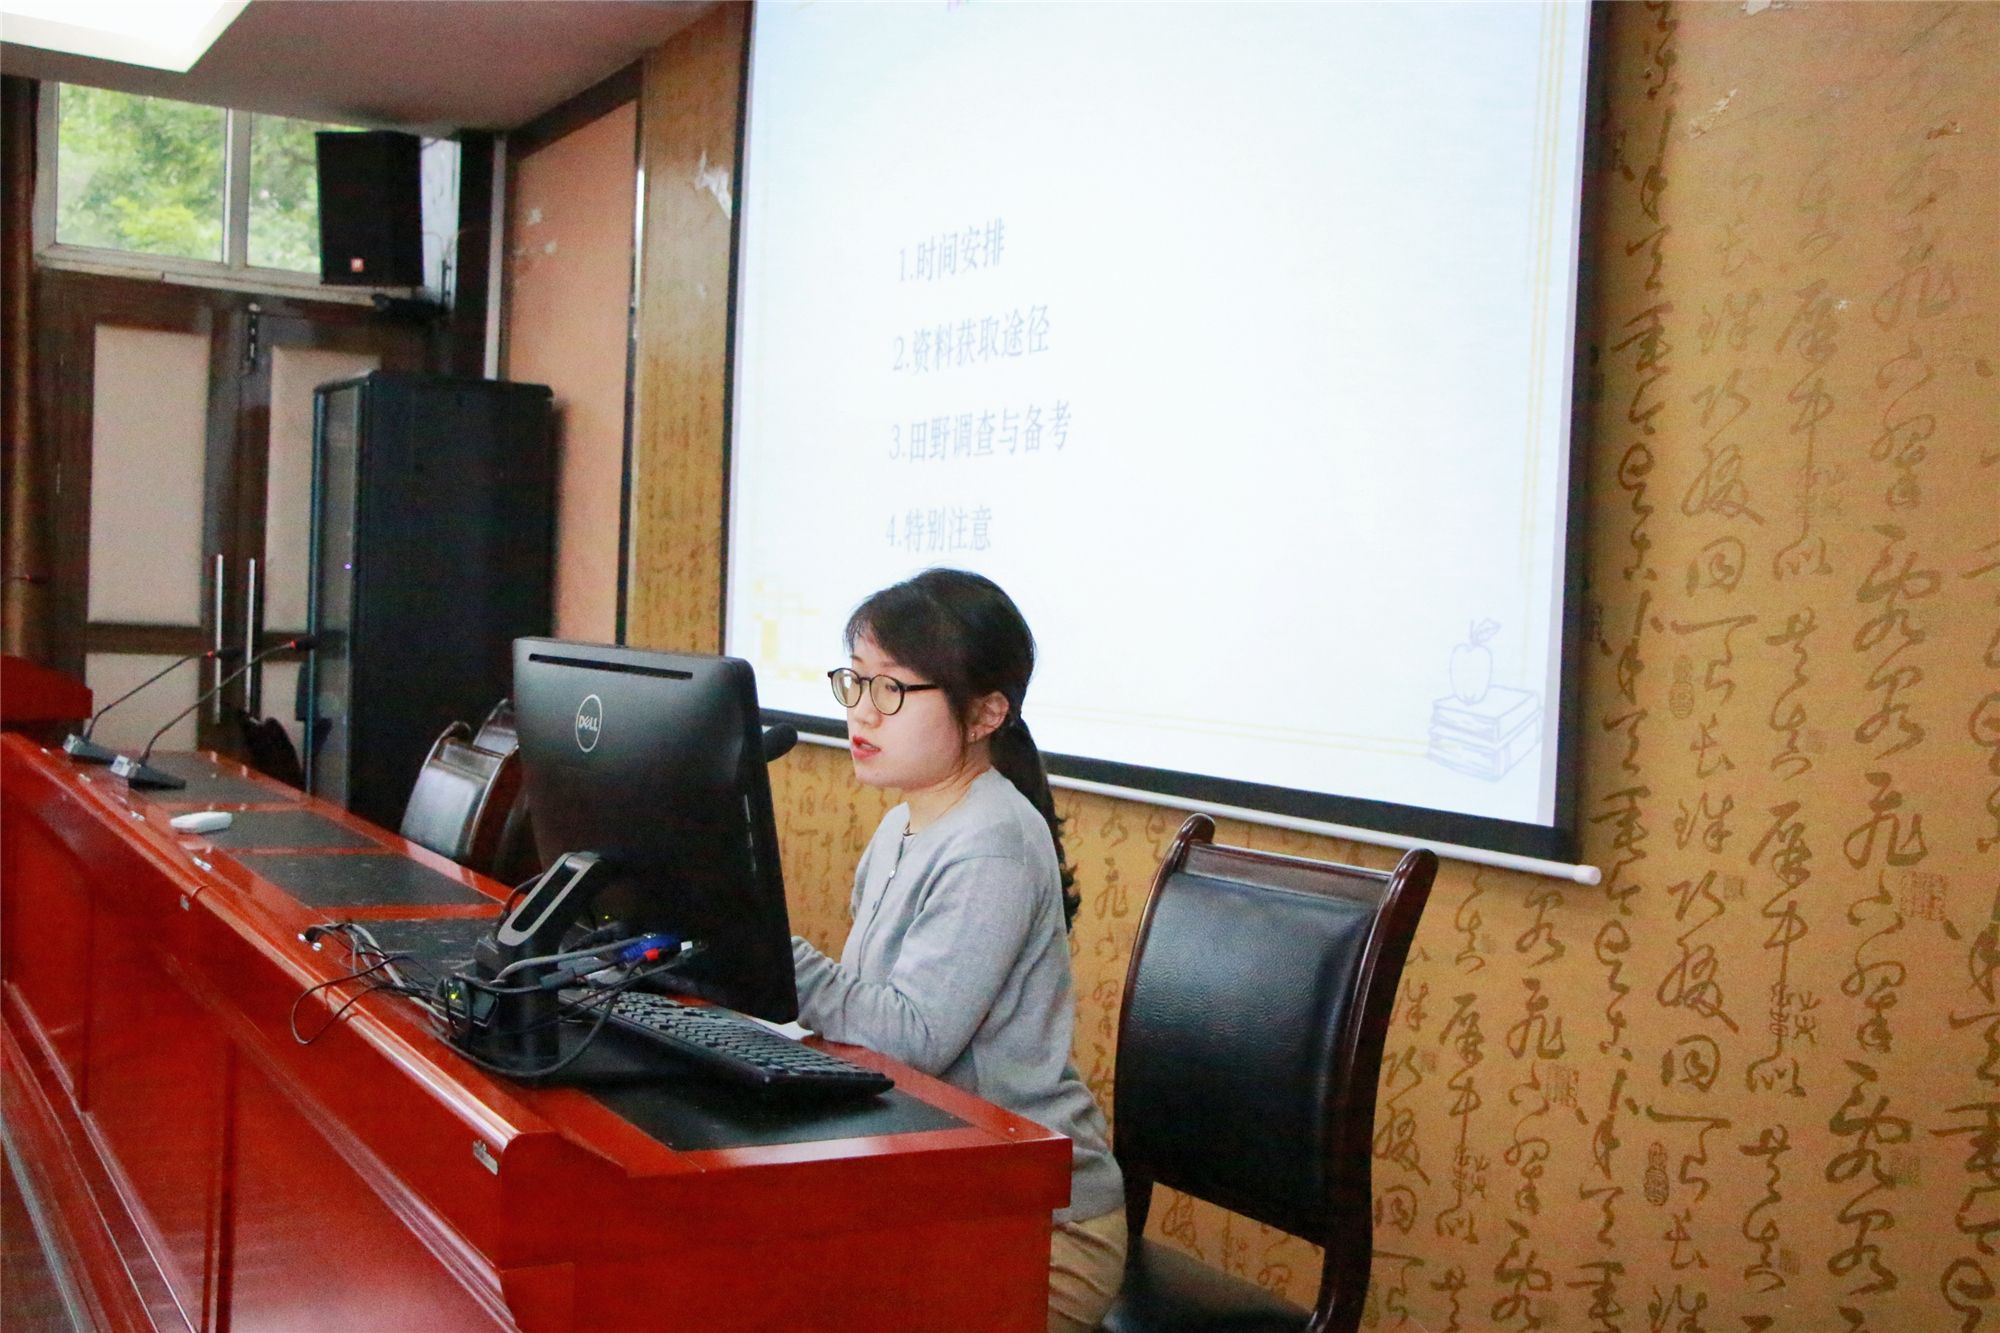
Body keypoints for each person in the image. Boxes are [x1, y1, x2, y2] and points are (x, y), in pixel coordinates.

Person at [790, 568, 1126, 1331]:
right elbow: (867, 1022)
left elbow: (912, 1038)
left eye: (893, 689)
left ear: (985, 712)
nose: (861, 709)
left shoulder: (992, 841)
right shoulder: (902, 826)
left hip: (1040, 1224)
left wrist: (781, 959)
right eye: (856, 680)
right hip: (944, 1186)